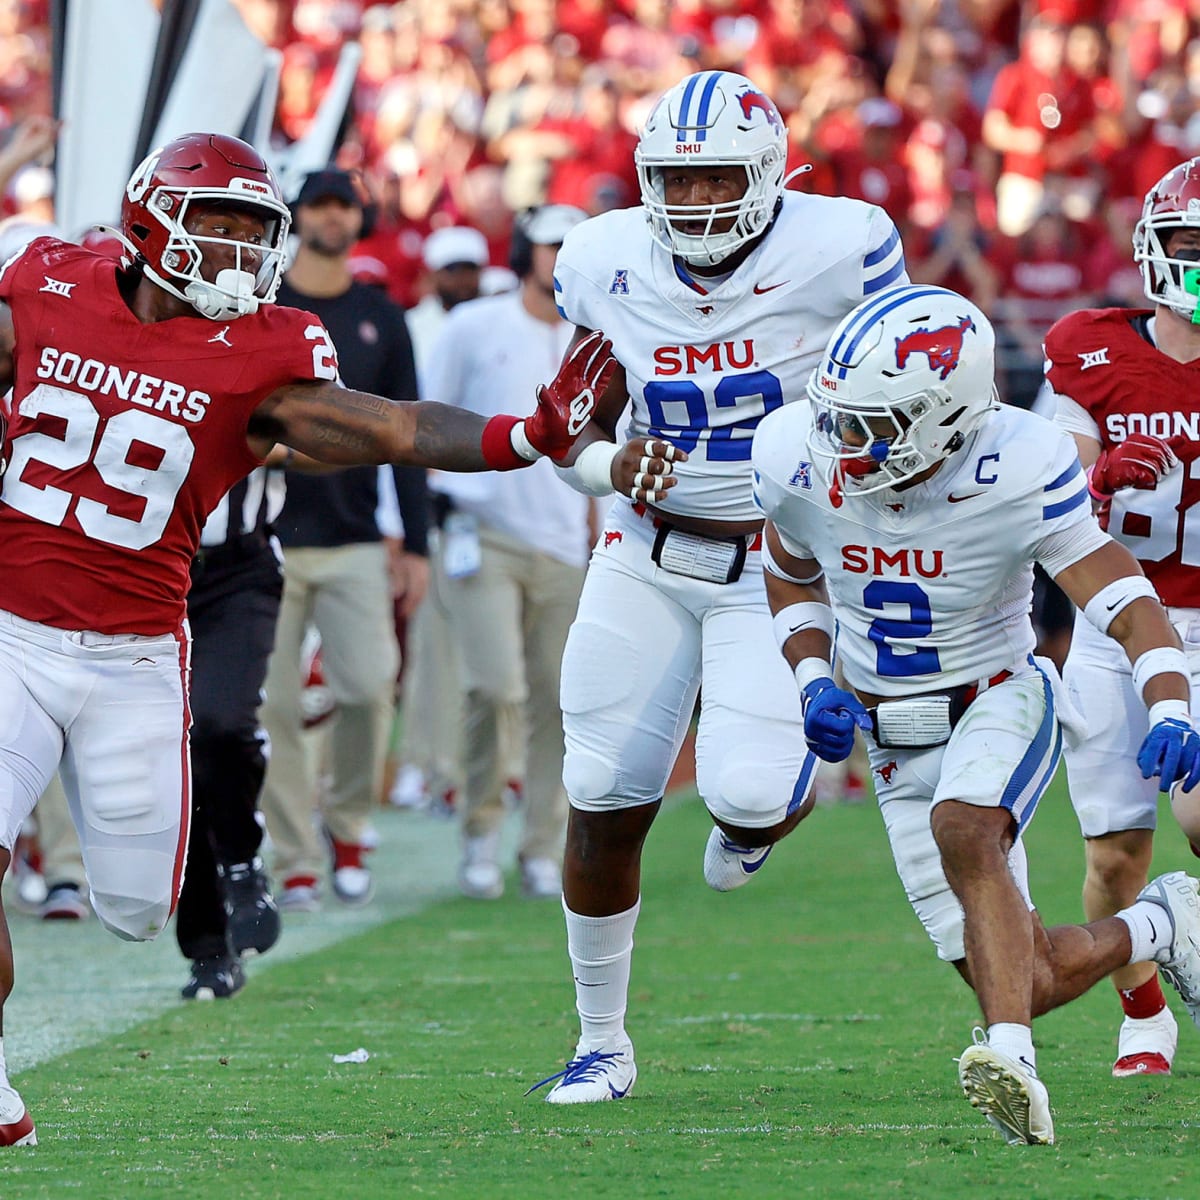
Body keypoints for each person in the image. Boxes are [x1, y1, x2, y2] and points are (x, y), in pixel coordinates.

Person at [0, 131, 613, 1147]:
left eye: (256, 232)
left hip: (137, 654)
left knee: (133, 907)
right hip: (13, 631)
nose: (242, 252)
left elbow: (388, 429)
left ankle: (204, 901)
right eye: (222, 227)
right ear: (155, 220)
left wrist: (523, 437)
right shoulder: (47, 281)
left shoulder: (265, 351)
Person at [525, 70, 909, 1104]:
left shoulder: (842, 247)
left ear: (771, 173)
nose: (693, 203)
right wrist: (610, 464)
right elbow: (571, 418)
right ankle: (601, 1039)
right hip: (643, 549)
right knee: (601, 793)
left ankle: (754, 829)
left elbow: (903, 385)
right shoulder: (603, 258)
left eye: (716, 179)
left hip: (777, 569)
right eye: (675, 181)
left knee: (746, 794)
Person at [751, 281, 1200, 1146]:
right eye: (837, 418)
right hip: (889, 737)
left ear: (947, 417)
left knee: (967, 830)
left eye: (871, 426)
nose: (843, 445)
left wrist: (1170, 701)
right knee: (1025, 974)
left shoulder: (1015, 465)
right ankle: (1163, 921)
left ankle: (1012, 1062)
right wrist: (812, 677)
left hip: (995, 696)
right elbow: (788, 565)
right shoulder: (797, 457)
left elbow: (1123, 598)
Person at [1042, 156, 1200, 1078]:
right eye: (1192, 244)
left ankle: (1180, 935)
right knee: (1113, 853)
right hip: (1115, 622)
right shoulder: (1091, 347)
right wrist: (1093, 472)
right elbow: (1047, 467)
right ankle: (1143, 1011)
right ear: (1156, 250)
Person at [260, 167, 429, 911]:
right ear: (298, 215)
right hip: (267, 535)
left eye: (345, 206)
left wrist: (416, 543)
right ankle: (295, 856)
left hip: (357, 535)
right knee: (271, 708)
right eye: (321, 205)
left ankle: (350, 826)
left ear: (360, 218)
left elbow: (413, 434)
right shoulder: (266, 307)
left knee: (368, 690)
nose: (333, 218)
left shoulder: (379, 316)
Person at [427, 204, 593, 900]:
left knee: (560, 700)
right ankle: (480, 832)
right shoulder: (474, 324)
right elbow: (427, 415)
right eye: (549, 246)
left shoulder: (602, 341)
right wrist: (428, 515)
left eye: (570, 247)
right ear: (527, 251)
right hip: (484, 527)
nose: (558, 259)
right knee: (494, 688)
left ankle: (540, 845)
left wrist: (600, 523)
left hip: (568, 540)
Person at [390, 224, 490, 814]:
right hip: (433, 503)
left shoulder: (491, 321)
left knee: (474, 648)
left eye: (469, 268)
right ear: (433, 274)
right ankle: (420, 763)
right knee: (431, 646)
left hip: (485, 507)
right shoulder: (418, 328)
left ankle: (460, 767)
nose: (462, 279)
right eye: (452, 269)